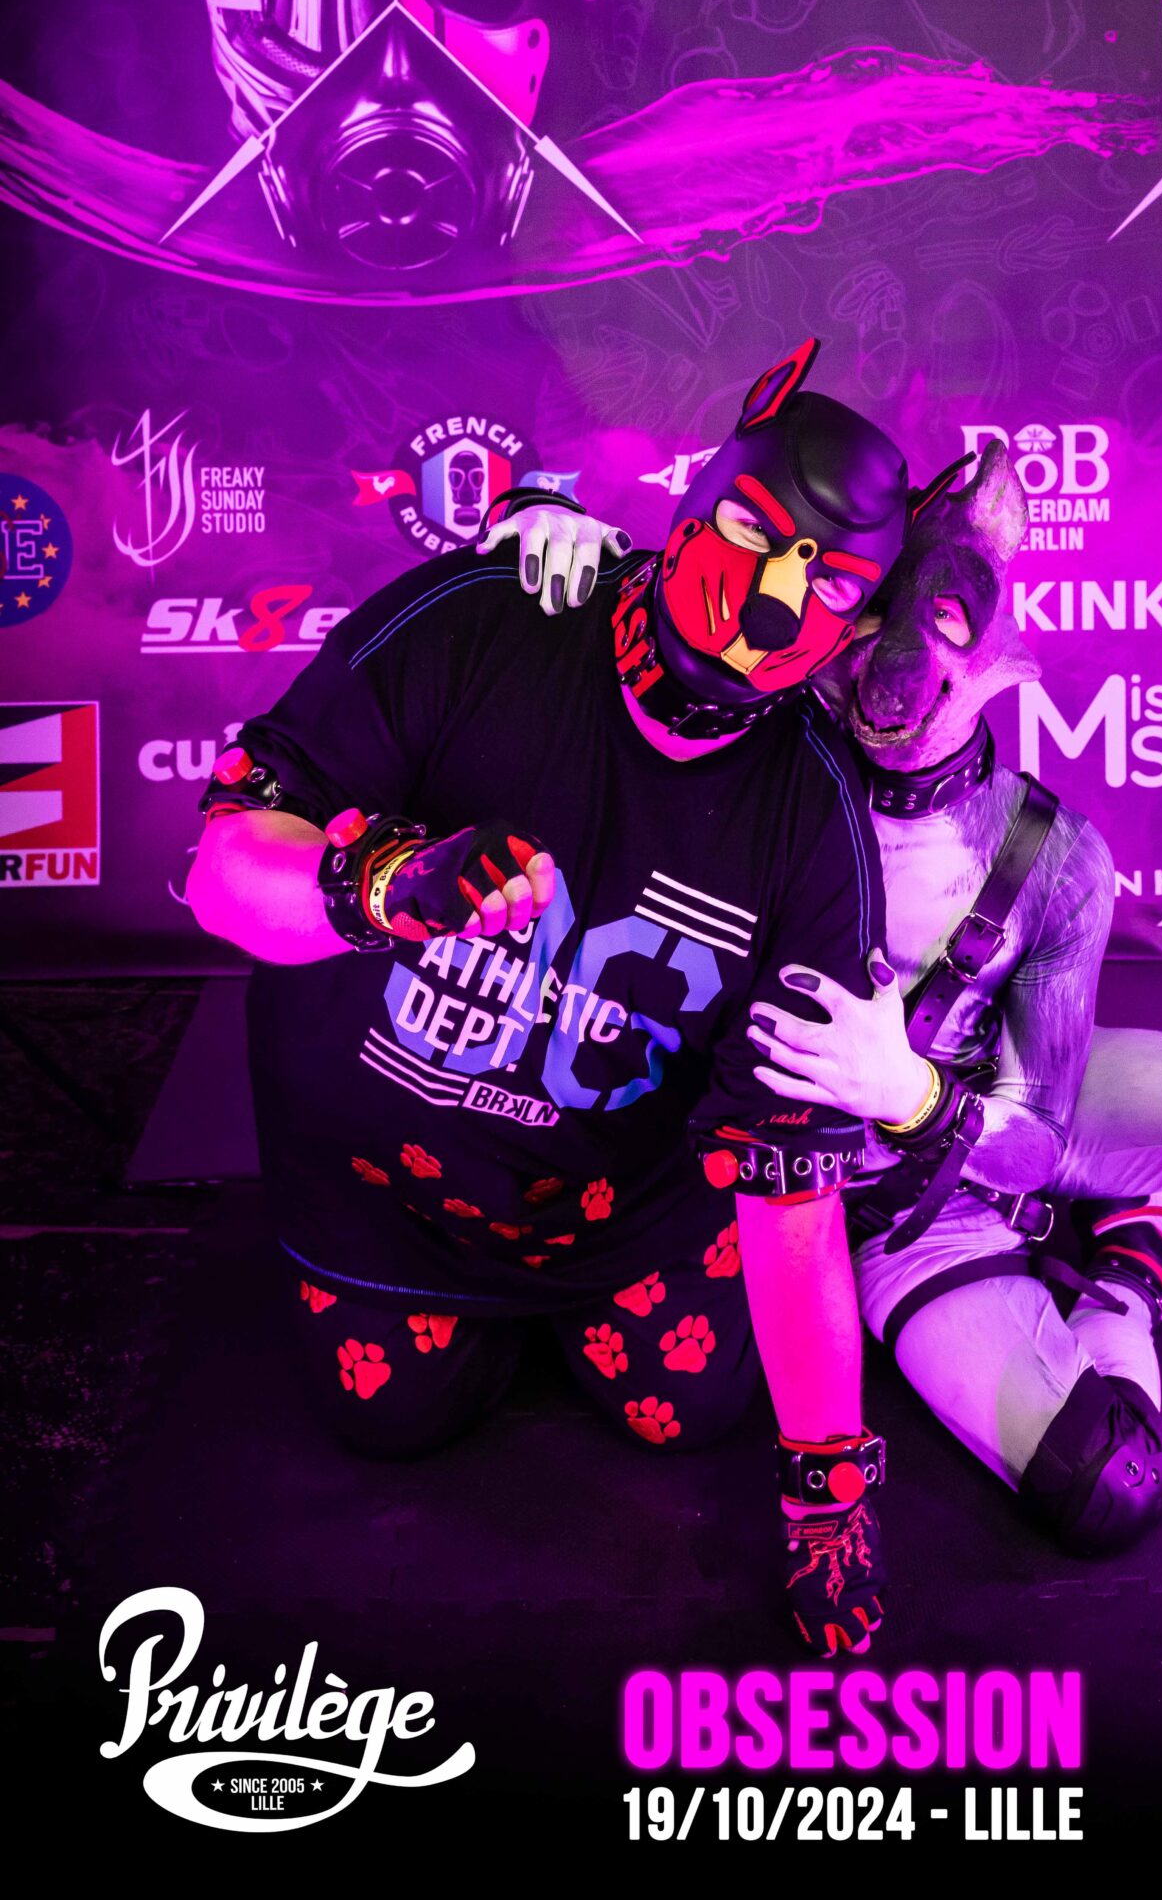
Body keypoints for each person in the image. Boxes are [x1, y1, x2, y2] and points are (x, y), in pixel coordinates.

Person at [510, 442, 1162, 1560]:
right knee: (1109, 1480)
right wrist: (559, 556)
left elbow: (1034, 1139)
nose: (897, 670)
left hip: (984, 1109)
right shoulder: (750, 759)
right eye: (868, 620)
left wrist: (913, 1092)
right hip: (857, 1214)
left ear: (995, 652)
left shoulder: (1052, 855)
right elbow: (672, 636)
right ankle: (1136, 1268)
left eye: (944, 624)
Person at [187, 338, 963, 1654]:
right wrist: (381, 883)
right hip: (391, 1197)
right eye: (750, 531)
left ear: (857, 623)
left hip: (623, 1219)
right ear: (691, 503)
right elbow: (219, 876)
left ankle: (581, 1313)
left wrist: (827, 1486)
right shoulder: (484, 619)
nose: (769, 603)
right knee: (391, 1419)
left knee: (692, 1412)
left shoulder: (811, 817)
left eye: (828, 581)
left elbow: (791, 1179)